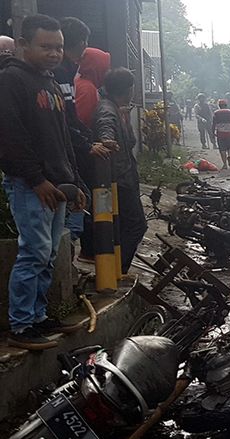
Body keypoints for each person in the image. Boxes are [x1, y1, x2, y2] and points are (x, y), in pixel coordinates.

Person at [0, 15, 86, 349]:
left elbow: (63, 138)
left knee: (48, 254)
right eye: (45, 46)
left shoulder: (49, 82)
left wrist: (74, 180)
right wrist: (36, 179)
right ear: (22, 44)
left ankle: (38, 315)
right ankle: (21, 326)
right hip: (30, 186)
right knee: (33, 252)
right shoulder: (10, 81)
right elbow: (10, 138)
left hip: (57, 184)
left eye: (59, 47)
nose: (54, 53)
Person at [54, 18, 109, 263]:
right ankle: (73, 257)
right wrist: (88, 144)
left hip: (73, 152)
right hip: (71, 156)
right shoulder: (75, 83)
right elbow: (74, 120)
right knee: (80, 206)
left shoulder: (67, 76)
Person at [93, 68, 147, 275]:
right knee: (136, 226)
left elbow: (130, 141)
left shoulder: (116, 108)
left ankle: (116, 270)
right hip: (118, 182)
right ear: (128, 89)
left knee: (123, 227)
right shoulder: (107, 110)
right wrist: (108, 140)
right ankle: (118, 271)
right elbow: (105, 128)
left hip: (123, 179)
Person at [74, 47, 110, 128]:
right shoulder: (88, 89)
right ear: (97, 67)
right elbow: (82, 122)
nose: (107, 72)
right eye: (105, 68)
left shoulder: (78, 82)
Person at [212, 99, 230, 169]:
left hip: (220, 133)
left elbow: (213, 124)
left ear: (219, 106)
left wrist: (212, 133)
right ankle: (229, 156)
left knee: (222, 149)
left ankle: (225, 164)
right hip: (229, 132)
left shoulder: (216, 112)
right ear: (226, 105)